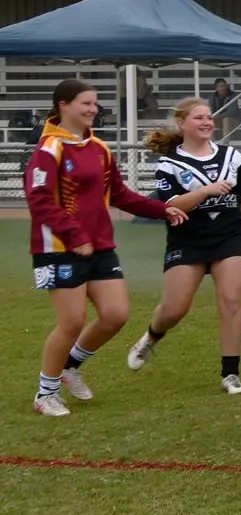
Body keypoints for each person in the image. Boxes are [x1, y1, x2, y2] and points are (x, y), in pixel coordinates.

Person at [26, 79, 187, 417]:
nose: (92, 109)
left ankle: (70, 367)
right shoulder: (49, 149)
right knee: (70, 322)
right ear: (63, 105)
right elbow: (38, 200)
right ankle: (46, 393)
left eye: (95, 103)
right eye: (85, 103)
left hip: (98, 246)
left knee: (116, 314)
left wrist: (162, 209)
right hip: (59, 247)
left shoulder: (99, 147)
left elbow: (119, 194)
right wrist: (73, 235)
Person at [127, 98, 241, 393]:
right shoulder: (170, 164)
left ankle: (230, 375)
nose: (207, 122)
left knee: (232, 302)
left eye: (209, 117)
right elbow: (169, 206)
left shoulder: (232, 157)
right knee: (174, 309)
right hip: (188, 240)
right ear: (183, 124)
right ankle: (151, 336)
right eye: (199, 118)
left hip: (228, 237)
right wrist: (206, 191)